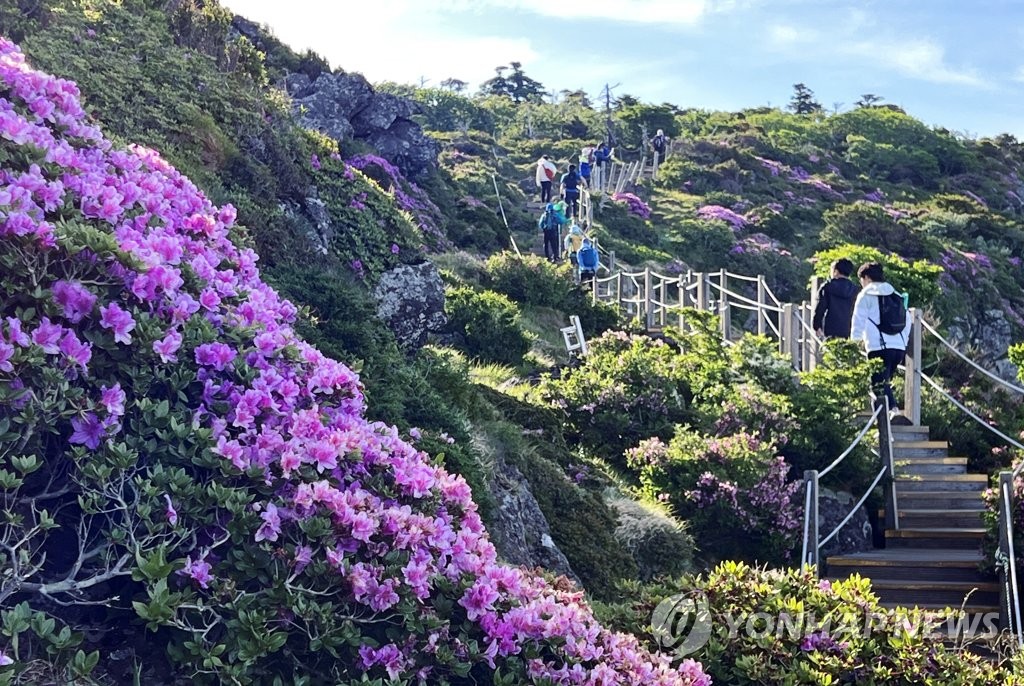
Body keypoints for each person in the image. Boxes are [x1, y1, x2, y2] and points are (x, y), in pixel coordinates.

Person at [850, 262, 911, 413]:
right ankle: (886, 422)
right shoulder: (895, 295)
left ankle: (893, 412)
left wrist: (854, 343)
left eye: (861, 280)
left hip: (878, 347)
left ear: (867, 277)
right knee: (884, 384)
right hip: (898, 348)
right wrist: (903, 342)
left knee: (878, 386)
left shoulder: (866, 295)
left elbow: (858, 320)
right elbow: (907, 320)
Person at [813, 258, 859, 339]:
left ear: (836, 271)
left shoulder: (827, 287)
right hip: (850, 329)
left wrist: (817, 326)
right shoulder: (855, 289)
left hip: (831, 329)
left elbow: (820, 308)